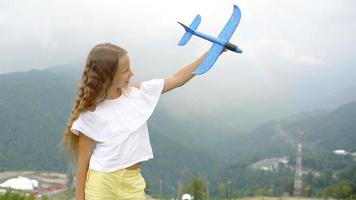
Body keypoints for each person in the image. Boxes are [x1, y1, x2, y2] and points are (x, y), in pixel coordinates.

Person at [61, 43, 210, 200]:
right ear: (108, 76)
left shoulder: (136, 94)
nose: (131, 74)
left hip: (133, 183)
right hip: (102, 184)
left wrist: (211, 53)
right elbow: (82, 165)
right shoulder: (91, 114)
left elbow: (177, 79)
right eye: (125, 71)